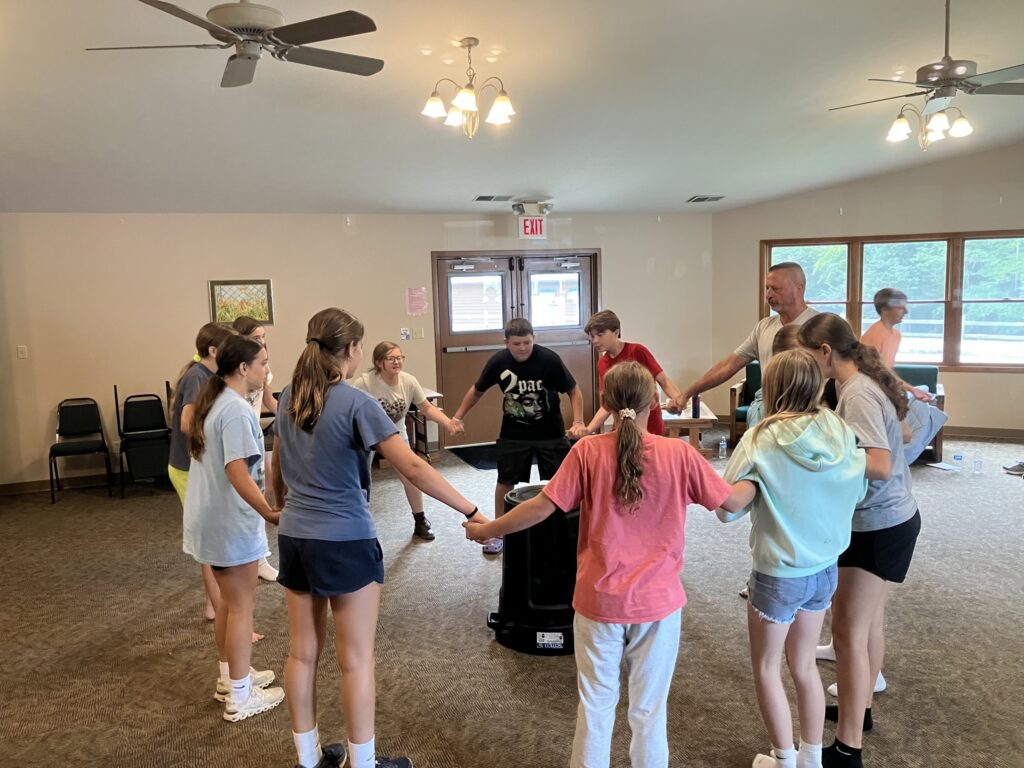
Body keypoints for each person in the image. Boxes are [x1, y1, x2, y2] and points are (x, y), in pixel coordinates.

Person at [465, 362, 751, 768]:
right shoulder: (680, 454)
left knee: (596, 705)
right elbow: (734, 503)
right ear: (655, 402)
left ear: (607, 403)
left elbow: (540, 507)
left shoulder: (587, 452)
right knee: (649, 711)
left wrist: (488, 529)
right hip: (658, 605)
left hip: (599, 602)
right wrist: (759, 475)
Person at [270, 308, 487, 768]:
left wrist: (280, 505)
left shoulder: (289, 395)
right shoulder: (356, 403)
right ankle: (363, 763)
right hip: (344, 539)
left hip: (294, 536)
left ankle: (308, 760)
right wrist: (470, 509)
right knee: (356, 660)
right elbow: (412, 467)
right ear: (352, 350)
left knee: (302, 655)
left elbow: (277, 464)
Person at [719, 350, 867, 768]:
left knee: (767, 668)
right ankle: (811, 759)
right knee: (803, 666)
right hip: (825, 568)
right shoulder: (838, 428)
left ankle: (784, 760)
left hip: (779, 573)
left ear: (771, 388)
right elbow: (857, 490)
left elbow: (726, 510)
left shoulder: (761, 438)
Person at [798, 314, 922, 768]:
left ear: (825, 351)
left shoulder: (858, 393)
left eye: (808, 356)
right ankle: (860, 710)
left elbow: (880, 465)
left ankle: (848, 749)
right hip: (886, 521)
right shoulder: (852, 386)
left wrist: (823, 461)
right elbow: (897, 436)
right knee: (866, 627)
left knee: (848, 633)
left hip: (879, 526)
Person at [183, 334, 285, 722]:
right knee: (241, 606)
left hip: (211, 519)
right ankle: (241, 697)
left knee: (228, 602)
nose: (267, 370)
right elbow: (237, 471)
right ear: (243, 368)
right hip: (228, 522)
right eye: (263, 363)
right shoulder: (236, 410)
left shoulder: (216, 402)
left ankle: (230, 678)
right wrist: (268, 512)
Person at [450, 317, 587, 555]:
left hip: (550, 433)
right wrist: (457, 416)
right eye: (516, 344)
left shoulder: (549, 360)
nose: (522, 348)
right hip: (514, 433)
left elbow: (573, 390)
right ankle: (498, 532)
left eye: (527, 342)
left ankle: (571, 530)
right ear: (506, 343)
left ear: (534, 339)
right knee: (505, 480)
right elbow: (477, 390)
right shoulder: (498, 362)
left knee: (564, 481)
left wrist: (578, 421)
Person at [168, 322, 251, 626]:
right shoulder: (197, 377)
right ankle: (219, 609)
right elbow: (187, 423)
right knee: (211, 541)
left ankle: (215, 605)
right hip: (187, 467)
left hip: (196, 465)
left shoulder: (210, 377)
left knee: (212, 540)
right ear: (214, 350)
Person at [680, 262, 819, 434]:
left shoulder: (820, 326)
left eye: (776, 288)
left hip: (806, 412)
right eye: (767, 288)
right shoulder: (764, 327)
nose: (769, 294)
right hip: (767, 407)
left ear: (799, 288)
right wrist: (687, 394)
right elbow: (728, 365)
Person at [351, 341, 461, 541]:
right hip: (366, 433)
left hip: (394, 433)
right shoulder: (365, 383)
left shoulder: (408, 381)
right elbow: (351, 412)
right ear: (379, 362)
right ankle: (359, 524)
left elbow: (426, 407)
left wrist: (448, 423)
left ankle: (420, 521)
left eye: (399, 357)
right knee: (361, 479)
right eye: (391, 358)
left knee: (411, 476)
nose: (397, 362)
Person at [231, 315, 281, 582]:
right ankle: (245, 556)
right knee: (244, 497)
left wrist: (290, 416)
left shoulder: (263, 365)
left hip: (254, 435)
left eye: (263, 337)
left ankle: (260, 557)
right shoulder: (234, 371)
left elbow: (269, 400)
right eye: (255, 337)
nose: (261, 341)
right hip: (237, 435)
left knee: (262, 492)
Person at [582, 309, 685, 436]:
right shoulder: (602, 364)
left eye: (600, 335)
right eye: (592, 336)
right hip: (622, 424)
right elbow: (608, 404)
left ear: (616, 332)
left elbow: (664, 381)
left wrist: (679, 401)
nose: (595, 341)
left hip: (649, 423)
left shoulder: (637, 351)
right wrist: (588, 430)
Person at [860, 289, 932, 402]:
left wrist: (912, 390)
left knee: (924, 389)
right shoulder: (873, 336)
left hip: (886, 387)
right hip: (871, 392)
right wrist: (911, 390)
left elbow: (887, 371)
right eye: (900, 307)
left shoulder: (896, 335)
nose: (906, 311)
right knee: (918, 399)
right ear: (885, 309)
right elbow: (876, 374)